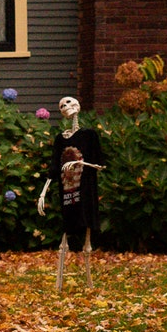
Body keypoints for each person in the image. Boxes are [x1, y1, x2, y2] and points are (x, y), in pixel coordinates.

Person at [37, 96, 104, 291]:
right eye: (61, 105)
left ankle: (89, 283)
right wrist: (43, 192)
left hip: (85, 192)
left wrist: (79, 163)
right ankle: (59, 285)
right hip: (67, 192)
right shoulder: (60, 139)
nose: (65, 107)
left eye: (68, 103)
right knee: (65, 236)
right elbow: (54, 167)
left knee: (87, 240)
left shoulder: (89, 136)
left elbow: (100, 165)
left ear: (77, 106)